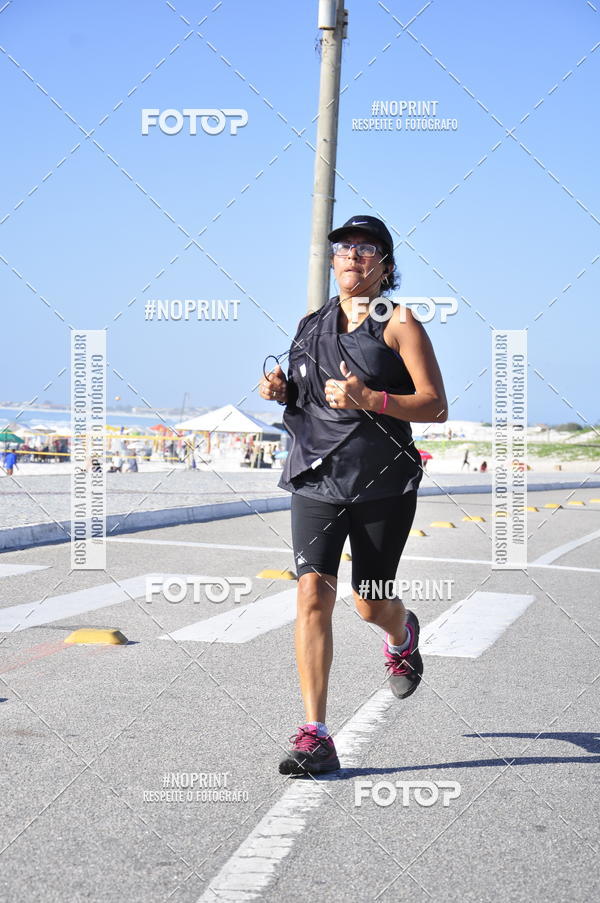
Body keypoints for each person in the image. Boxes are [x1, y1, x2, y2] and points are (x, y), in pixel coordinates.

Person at [259, 214, 447, 775]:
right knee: (311, 593)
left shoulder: (399, 323)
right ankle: (315, 734)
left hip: (381, 483)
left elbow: (435, 405)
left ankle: (401, 632)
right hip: (316, 479)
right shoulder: (309, 323)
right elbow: (308, 394)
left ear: (384, 266)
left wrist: (374, 399)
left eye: (366, 249)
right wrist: (281, 390)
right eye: (343, 247)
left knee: (369, 602)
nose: (351, 256)